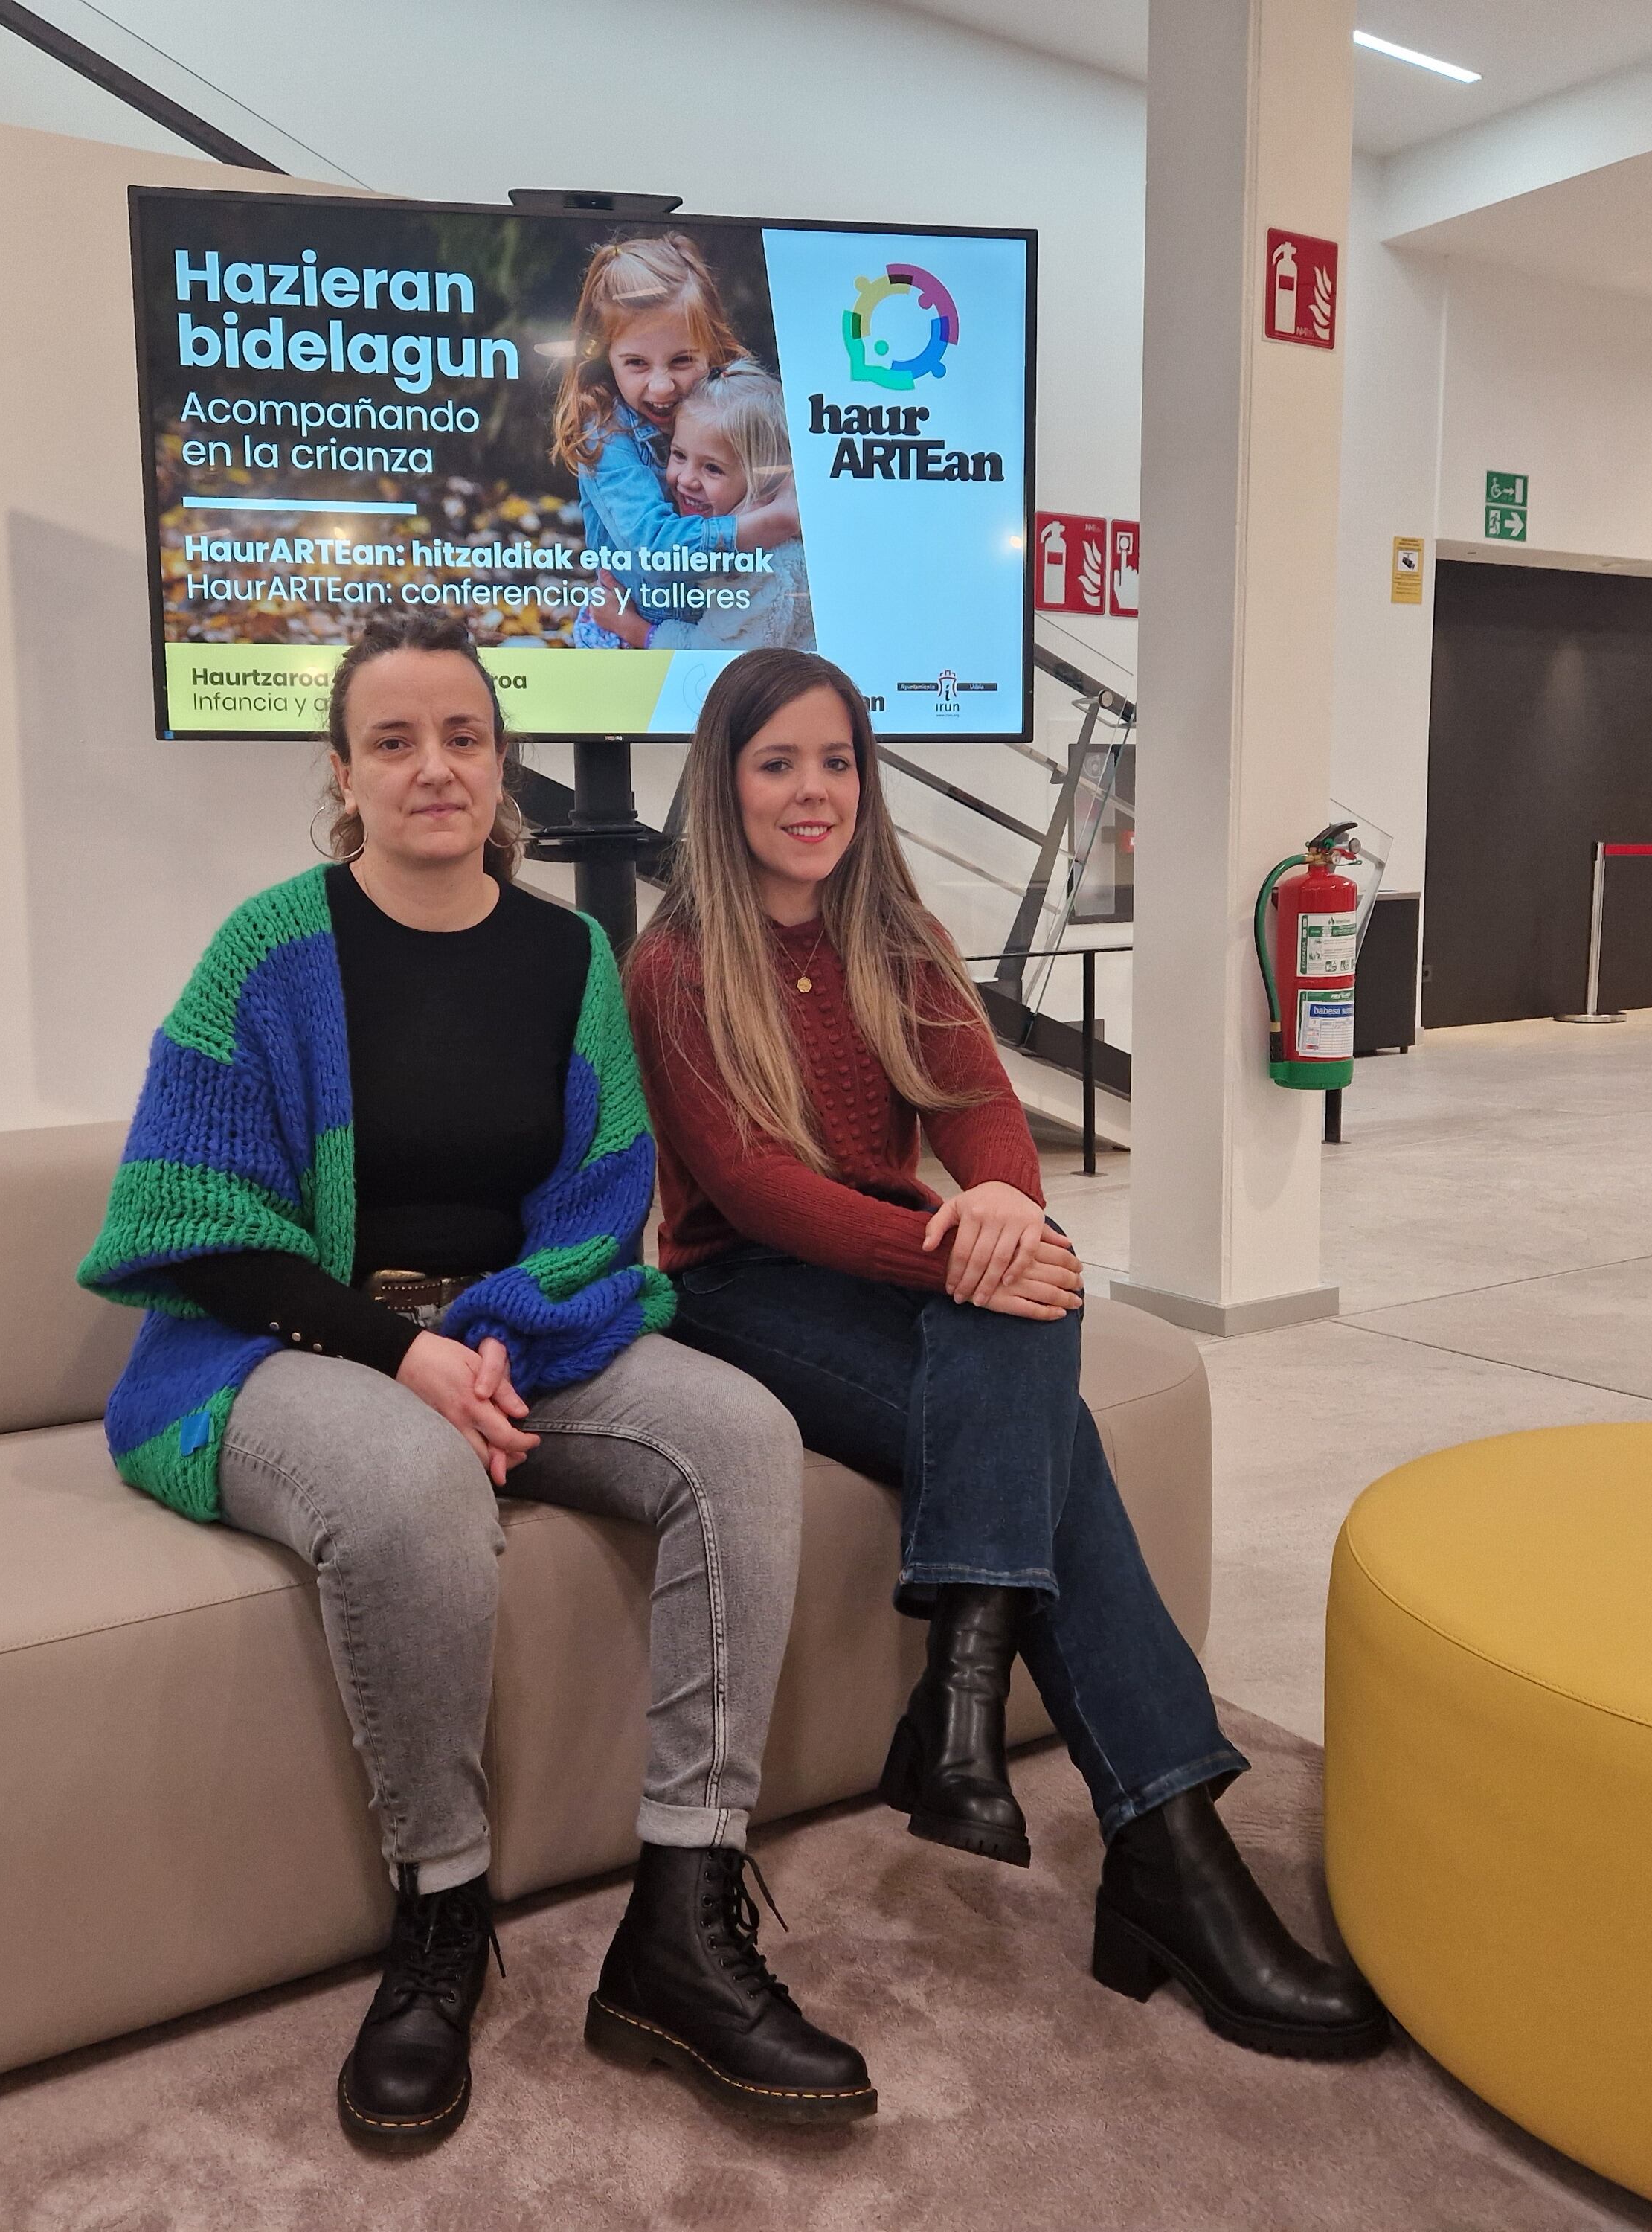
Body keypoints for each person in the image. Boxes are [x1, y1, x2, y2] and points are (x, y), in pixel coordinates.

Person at [77, 613, 875, 2146]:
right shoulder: (265, 951)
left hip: (513, 1337)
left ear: (500, 760)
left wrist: (484, 1344)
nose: (433, 767)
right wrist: (405, 1359)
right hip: (292, 1346)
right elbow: (198, 1227)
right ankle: (440, 1917)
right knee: (405, 1477)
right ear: (343, 771)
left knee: (740, 1436)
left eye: (461, 736)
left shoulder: (567, 952)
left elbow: (598, 1199)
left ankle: (683, 1917)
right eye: (393, 740)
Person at [625, 647, 1389, 2064]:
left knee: (1028, 1299)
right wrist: (972, 1247)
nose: (816, 793)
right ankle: (1150, 1842)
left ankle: (988, 1718)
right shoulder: (675, 963)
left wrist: (1007, 1209)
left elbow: (980, 1109)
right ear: (725, 784)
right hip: (743, 1292)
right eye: (778, 763)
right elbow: (757, 1191)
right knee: (1040, 1339)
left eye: (838, 762)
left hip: (892, 1269)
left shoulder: (898, 936)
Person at [548, 234, 797, 647]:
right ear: (604, 357)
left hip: (718, 629)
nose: (662, 387)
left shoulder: (735, 408)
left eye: (682, 360)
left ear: (711, 348)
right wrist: (772, 522)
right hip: (631, 641)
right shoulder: (606, 436)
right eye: (636, 364)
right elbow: (655, 552)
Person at [598, 366, 815, 653]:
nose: (686, 479)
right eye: (679, 455)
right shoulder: (729, 531)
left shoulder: (769, 567)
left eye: (712, 468)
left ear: (762, 479)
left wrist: (632, 629)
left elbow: (718, 662)